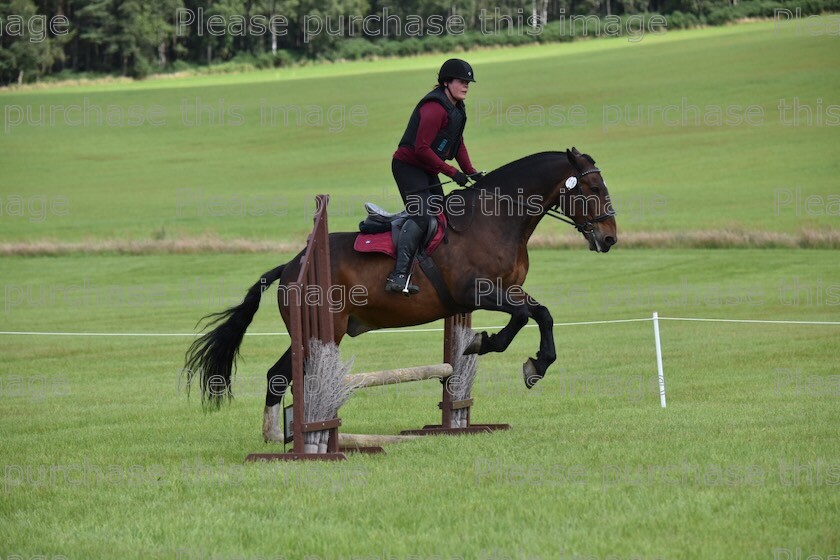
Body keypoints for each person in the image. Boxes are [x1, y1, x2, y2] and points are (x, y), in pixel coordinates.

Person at [386, 58, 482, 295]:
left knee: (442, 213)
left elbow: (457, 143)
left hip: (427, 168)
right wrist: (452, 172)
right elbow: (421, 149)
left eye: (468, 82)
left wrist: (470, 171)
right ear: (446, 82)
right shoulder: (434, 108)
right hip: (408, 167)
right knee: (421, 215)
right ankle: (398, 276)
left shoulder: (456, 108)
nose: (466, 86)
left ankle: (434, 266)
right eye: (462, 81)